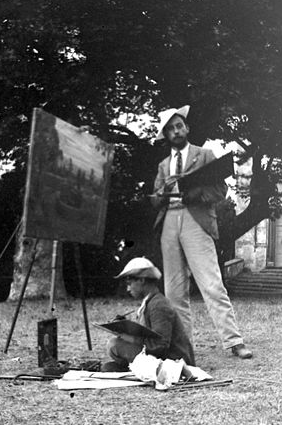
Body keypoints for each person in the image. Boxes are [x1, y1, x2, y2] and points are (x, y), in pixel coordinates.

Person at [151, 105, 252, 359]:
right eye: (170, 129)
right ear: (165, 135)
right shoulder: (164, 165)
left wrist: (190, 192)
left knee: (211, 283)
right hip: (169, 223)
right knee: (174, 290)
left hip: (197, 220)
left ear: (187, 128)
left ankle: (234, 341)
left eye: (179, 126)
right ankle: (183, 348)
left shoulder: (205, 155)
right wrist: (162, 194)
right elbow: (154, 199)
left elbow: (220, 192)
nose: (175, 131)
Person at [102, 257, 196, 371]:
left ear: (141, 280)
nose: (128, 289)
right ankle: (137, 368)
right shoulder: (151, 302)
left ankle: (145, 369)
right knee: (108, 364)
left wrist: (129, 338)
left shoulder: (159, 305)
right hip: (164, 358)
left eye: (129, 283)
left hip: (175, 361)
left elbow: (160, 345)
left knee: (114, 344)